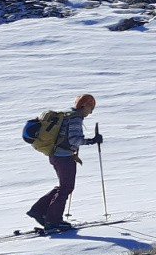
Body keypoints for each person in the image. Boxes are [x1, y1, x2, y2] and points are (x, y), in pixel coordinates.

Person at [27, 93, 103, 229]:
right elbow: (74, 139)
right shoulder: (75, 119)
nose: (90, 112)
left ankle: (39, 211)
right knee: (66, 187)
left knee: (64, 186)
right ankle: (53, 221)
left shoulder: (68, 114)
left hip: (56, 154)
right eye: (91, 108)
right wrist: (91, 141)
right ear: (85, 106)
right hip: (64, 156)